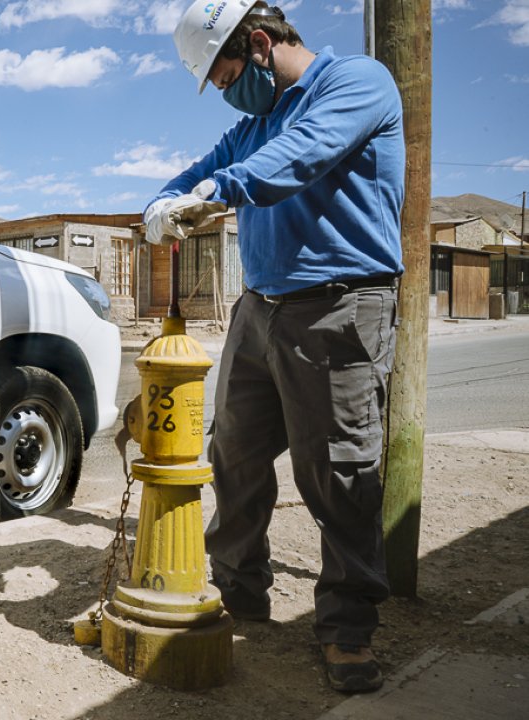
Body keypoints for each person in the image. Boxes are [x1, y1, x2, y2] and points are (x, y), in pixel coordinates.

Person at [143, 0, 405, 694]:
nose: (229, 95)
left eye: (228, 78)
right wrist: (163, 204)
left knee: (339, 471)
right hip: (260, 308)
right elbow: (195, 174)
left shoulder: (356, 84)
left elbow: (301, 155)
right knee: (234, 452)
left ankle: (347, 628)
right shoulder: (252, 126)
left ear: (260, 44)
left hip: (339, 306)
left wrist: (218, 190)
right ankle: (238, 586)